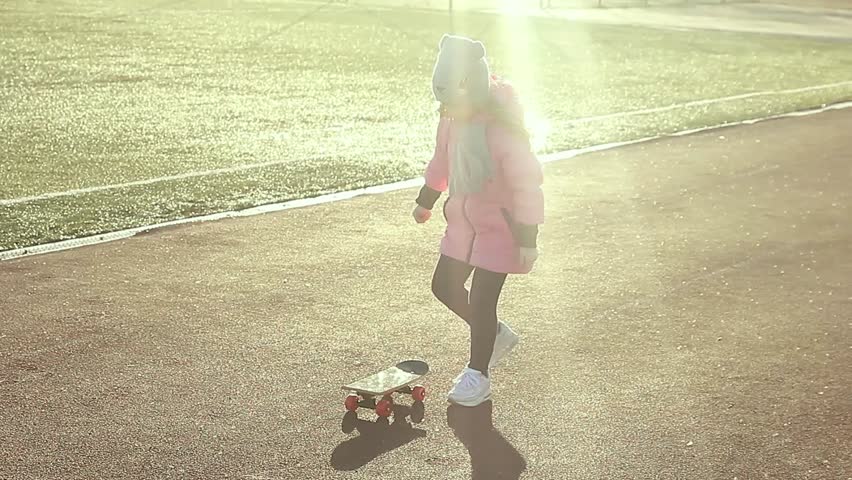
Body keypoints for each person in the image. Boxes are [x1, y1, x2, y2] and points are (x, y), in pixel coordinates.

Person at [412, 34, 545, 407]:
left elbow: (527, 185)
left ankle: (478, 374)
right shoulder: (452, 121)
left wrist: (528, 237)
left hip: (500, 229)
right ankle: (495, 334)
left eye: (454, 100)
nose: (449, 108)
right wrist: (427, 200)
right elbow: (442, 161)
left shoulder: (502, 130)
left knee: (484, 302)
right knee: (444, 287)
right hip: (462, 225)